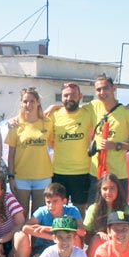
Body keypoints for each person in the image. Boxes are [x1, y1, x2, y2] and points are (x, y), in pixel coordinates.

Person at [11, 182, 83, 257]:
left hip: (67, 248)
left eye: (55, 201)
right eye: (48, 202)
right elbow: (26, 228)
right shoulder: (42, 211)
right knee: (21, 238)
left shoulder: (72, 211)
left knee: (77, 238)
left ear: (64, 201)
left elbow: (81, 232)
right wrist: (54, 237)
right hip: (43, 249)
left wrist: (49, 229)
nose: (51, 206)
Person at [87, 74, 129, 201]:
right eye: (98, 90)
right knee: (94, 213)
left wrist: (116, 146)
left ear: (113, 88)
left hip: (117, 175)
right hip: (96, 173)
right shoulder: (93, 106)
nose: (102, 92)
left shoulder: (127, 113)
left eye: (105, 88)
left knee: (118, 214)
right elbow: (73, 109)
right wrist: (53, 107)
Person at [5, 87, 53, 215]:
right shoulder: (15, 125)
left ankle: (37, 237)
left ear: (38, 102)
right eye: (25, 101)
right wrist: (10, 177)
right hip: (21, 177)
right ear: (21, 103)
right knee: (21, 216)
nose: (29, 105)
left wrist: (53, 106)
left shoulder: (47, 123)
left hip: (42, 176)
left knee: (39, 216)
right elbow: (11, 155)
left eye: (32, 101)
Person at [49, 82, 95, 212]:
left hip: (81, 172)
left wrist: (128, 108)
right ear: (61, 97)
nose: (69, 98)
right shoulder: (53, 115)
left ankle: (79, 233)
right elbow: (50, 142)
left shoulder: (88, 113)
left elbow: (107, 109)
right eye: (66, 95)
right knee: (57, 209)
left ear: (80, 96)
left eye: (73, 95)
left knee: (79, 211)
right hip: (58, 172)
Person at [83, 173, 129, 257]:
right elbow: (85, 235)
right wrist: (98, 235)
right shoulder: (93, 209)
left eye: (112, 188)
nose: (108, 192)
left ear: (118, 190)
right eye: (105, 189)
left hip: (121, 244)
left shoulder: (127, 209)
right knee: (96, 239)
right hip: (99, 247)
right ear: (100, 191)